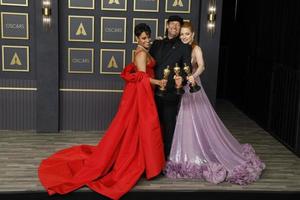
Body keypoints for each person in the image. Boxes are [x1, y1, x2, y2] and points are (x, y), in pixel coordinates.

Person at [38, 23, 165, 200]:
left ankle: (141, 160)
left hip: (139, 95)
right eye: (143, 38)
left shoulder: (142, 50)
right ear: (137, 38)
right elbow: (143, 78)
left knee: (133, 127)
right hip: (140, 96)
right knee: (136, 127)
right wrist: (158, 82)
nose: (147, 40)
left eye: (148, 37)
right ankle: (137, 161)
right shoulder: (141, 53)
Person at [164, 22, 265, 185]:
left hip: (194, 89)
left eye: (187, 34)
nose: (183, 36)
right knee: (185, 122)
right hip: (182, 90)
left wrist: (193, 76)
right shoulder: (178, 48)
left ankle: (200, 152)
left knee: (198, 120)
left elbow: (202, 66)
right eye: (181, 34)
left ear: (193, 35)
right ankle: (188, 155)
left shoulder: (195, 49)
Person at [149, 15, 192, 158]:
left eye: (178, 25)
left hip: (171, 93)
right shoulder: (156, 43)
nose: (175, 26)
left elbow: (188, 70)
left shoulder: (184, 47)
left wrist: (183, 80)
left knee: (169, 126)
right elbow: (148, 65)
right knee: (152, 126)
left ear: (180, 29)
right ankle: (152, 157)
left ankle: (167, 158)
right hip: (152, 92)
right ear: (167, 25)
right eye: (172, 24)